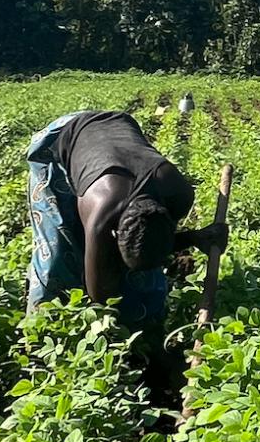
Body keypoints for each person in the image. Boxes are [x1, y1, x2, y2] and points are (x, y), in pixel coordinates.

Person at [24, 109, 227, 323]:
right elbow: (99, 295)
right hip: (63, 137)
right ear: (114, 233)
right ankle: (40, 323)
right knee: (57, 252)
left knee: (143, 278)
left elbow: (156, 242)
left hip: (116, 128)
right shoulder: (101, 212)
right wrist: (109, 327)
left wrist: (195, 238)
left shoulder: (180, 195)